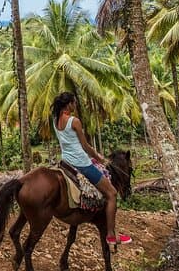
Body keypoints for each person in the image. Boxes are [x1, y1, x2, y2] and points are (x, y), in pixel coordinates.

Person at [52, 92, 132, 245]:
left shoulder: (55, 120)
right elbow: (85, 146)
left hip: (66, 162)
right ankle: (111, 235)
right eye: (74, 103)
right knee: (112, 193)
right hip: (82, 163)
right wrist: (99, 157)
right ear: (69, 104)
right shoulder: (74, 121)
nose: (75, 106)